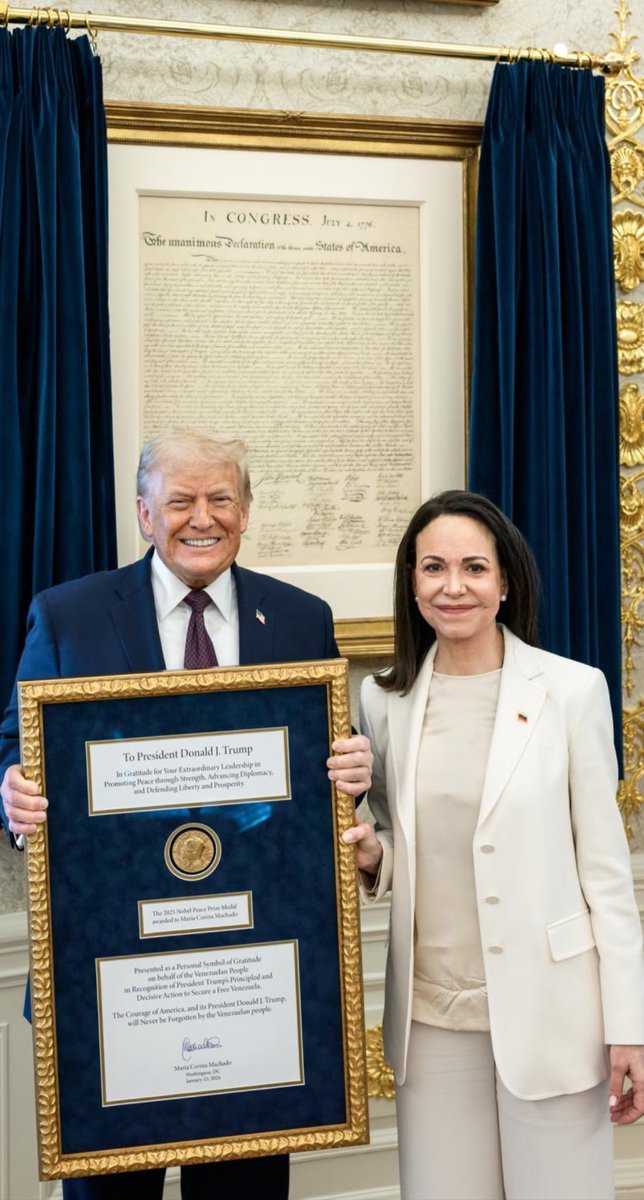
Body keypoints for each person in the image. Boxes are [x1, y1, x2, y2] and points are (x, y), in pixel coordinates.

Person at [0, 428, 372, 1200]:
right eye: (180, 501)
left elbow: (318, 773)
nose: (201, 518)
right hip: (114, 976)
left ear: (245, 511)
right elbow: (16, 743)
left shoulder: (301, 617)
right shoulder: (68, 617)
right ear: (144, 513)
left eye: (220, 499)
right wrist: (11, 788)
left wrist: (353, 771)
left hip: (254, 970)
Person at [342, 489, 644, 1200]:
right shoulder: (382, 701)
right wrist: (372, 856)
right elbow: (391, 835)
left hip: (553, 1013)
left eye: (474, 568)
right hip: (431, 1020)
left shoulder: (571, 692)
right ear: (410, 583)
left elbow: (607, 875)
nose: (453, 587)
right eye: (433, 568)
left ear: (505, 582)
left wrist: (629, 1025)